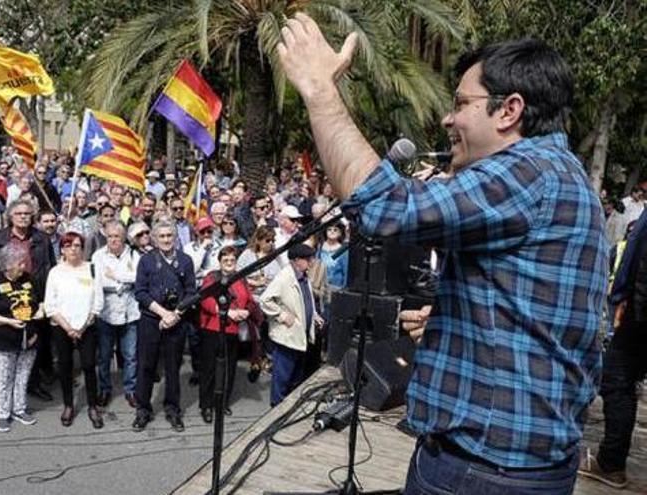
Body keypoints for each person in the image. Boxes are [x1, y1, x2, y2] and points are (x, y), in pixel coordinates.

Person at [278, 17, 607, 492]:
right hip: (511, 465)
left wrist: (319, 91)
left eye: (460, 104)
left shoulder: (529, 172)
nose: (447, 119)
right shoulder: (557, 173)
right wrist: (463, 318)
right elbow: (537, 312)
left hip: (483, 471)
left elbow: (385, 207)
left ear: (509, 110)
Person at [578, 209, 647, 488]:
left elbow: (637, 255)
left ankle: (610, 463)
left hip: (640, 313)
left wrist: (624, 298)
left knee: (617, 379)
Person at [132, 219, 196, 432]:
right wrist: (162, 313)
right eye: (162, 236)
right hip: (151, 320)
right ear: (155, 239)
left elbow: (190, 292)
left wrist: (175, 314)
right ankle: (143, 409)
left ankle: (173, 409)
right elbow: (140, 292)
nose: (167, 240)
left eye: (170, 236)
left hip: (177, 321)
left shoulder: (186, 261)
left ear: (175, 237)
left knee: (172, 367)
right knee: (146, 366)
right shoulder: (146, 261)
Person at [44, 231, 105, 429]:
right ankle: (69, 405)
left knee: (88, 366)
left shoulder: (92, 269)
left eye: (77, 245)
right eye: (69, 246)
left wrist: (84, 324)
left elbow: (98, 301)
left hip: (86, 327)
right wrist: (69, 328)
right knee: (65, 367)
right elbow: (50, 305)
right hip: (63, 327)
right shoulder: (55, 272)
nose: (73, 249)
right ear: (62, 249)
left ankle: (93, 406)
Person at [0, 243, 41, 433]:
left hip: (29, 338)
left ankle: (19, 409)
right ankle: (2, 414)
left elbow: (38, 303)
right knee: (3, 378)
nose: (23, 267)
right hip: (3, 340)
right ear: (7, 265)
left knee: (22, 376)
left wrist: (40, 313)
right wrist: (8, 321)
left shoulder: (29, 280)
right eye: (20, 263)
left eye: (24, 262)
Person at [259, 244, 323, 406]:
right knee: (283, 375)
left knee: (296, 374)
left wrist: (313, 314)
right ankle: (277, 406)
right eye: (308, 259)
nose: (311, 262)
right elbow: (264, 300)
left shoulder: (303, 275)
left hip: (301, 335)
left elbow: (305, 299)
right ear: (296, 261)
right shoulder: (284, 278)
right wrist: (281, 315)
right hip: (287, 336)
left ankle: (289, 405)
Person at [197, 246, 253, 423]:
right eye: (225, 260)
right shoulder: (212, 278)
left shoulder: (241, 278)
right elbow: (205, 300)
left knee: (229, 368)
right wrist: (228, 313)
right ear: (220, 261)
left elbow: (250, 300)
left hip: (233, 330)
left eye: (232, 260)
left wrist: (246, 312)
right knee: (210, 369)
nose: (229, 263)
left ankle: (222, 403)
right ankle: (206, 405)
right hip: (213, 329)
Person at [92, 221, 140, 409]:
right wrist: (123, 275)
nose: (113, 240)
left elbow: (138, 277)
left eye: (117, 236)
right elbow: (99, 280)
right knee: (104, 355)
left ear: (123, 238)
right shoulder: (98, 256)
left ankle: (130, 390)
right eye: (110, 236)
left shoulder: (134, 254)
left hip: (130, 309)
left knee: (130, 355)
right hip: (107, 309)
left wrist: (117, 275)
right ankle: (104, 389)